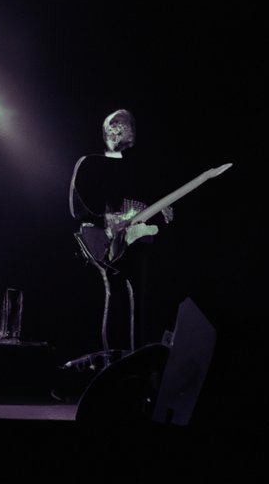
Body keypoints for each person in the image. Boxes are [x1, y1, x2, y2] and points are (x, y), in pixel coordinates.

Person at [69, 108, 172, 362]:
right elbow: (77, 205)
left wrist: (162, 210)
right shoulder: (90, 163)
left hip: (134, 242)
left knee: (136, 299)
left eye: (126, 125)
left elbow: (145, 203)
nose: (121, 129)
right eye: (115, 124)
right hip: (102, 241)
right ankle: (110, 362)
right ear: (106, 130)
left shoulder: (137, 170)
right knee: (114, 294)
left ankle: (133, 362)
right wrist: (105, 220)